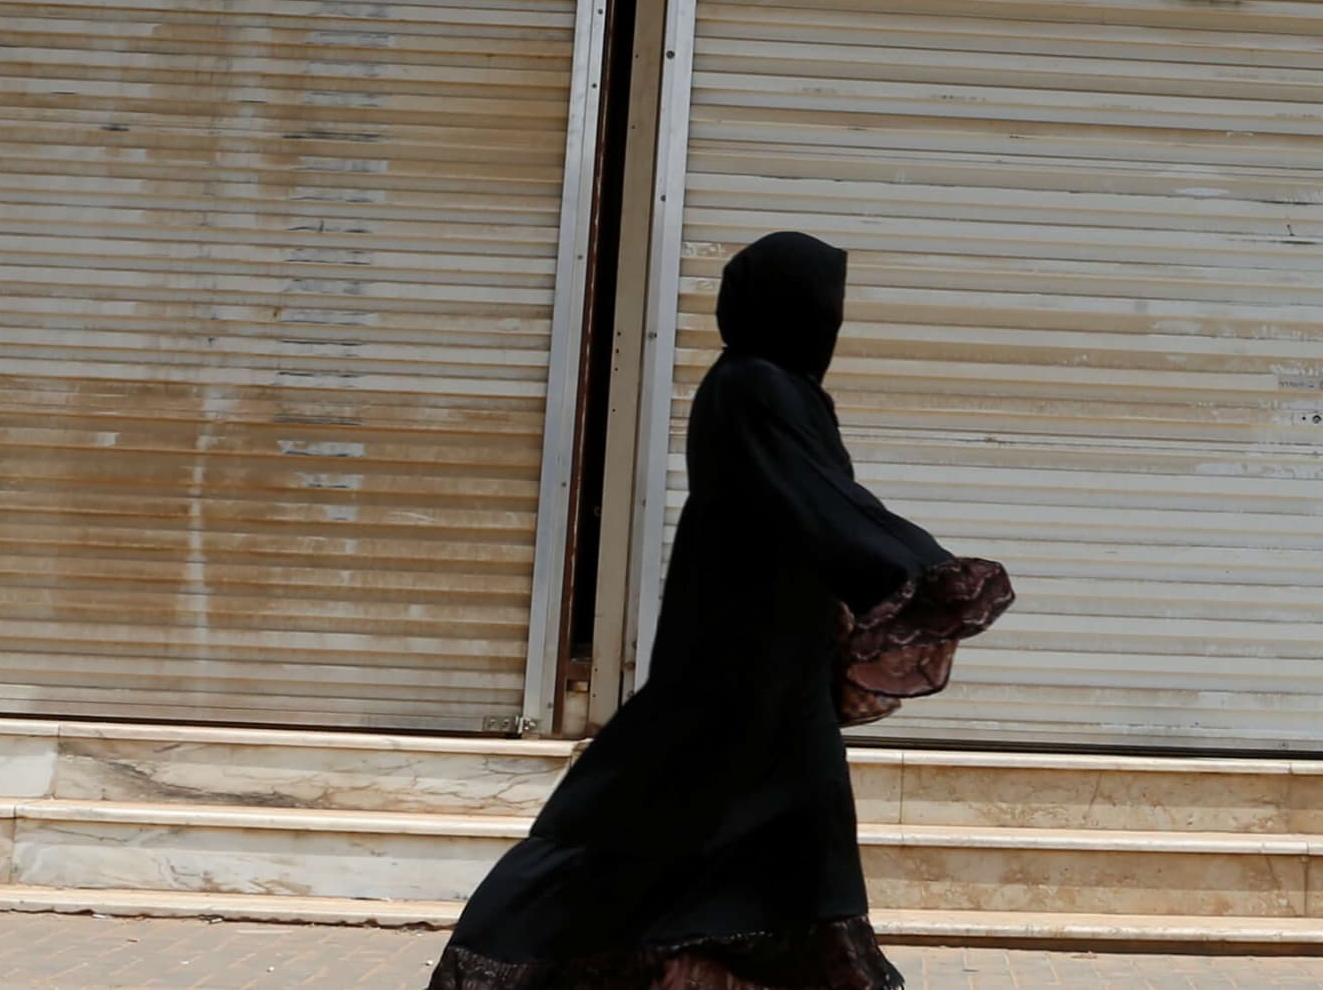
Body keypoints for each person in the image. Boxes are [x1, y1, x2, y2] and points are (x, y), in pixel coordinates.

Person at [431, 232, 1013, 990]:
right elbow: (824, 504)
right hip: (734, 675)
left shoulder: (772, 386)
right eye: (823, 303)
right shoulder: (756, 385)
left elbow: (807, 509)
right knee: (622, 826)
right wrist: (919, 567)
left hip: (773, 673)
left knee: (792, 854)